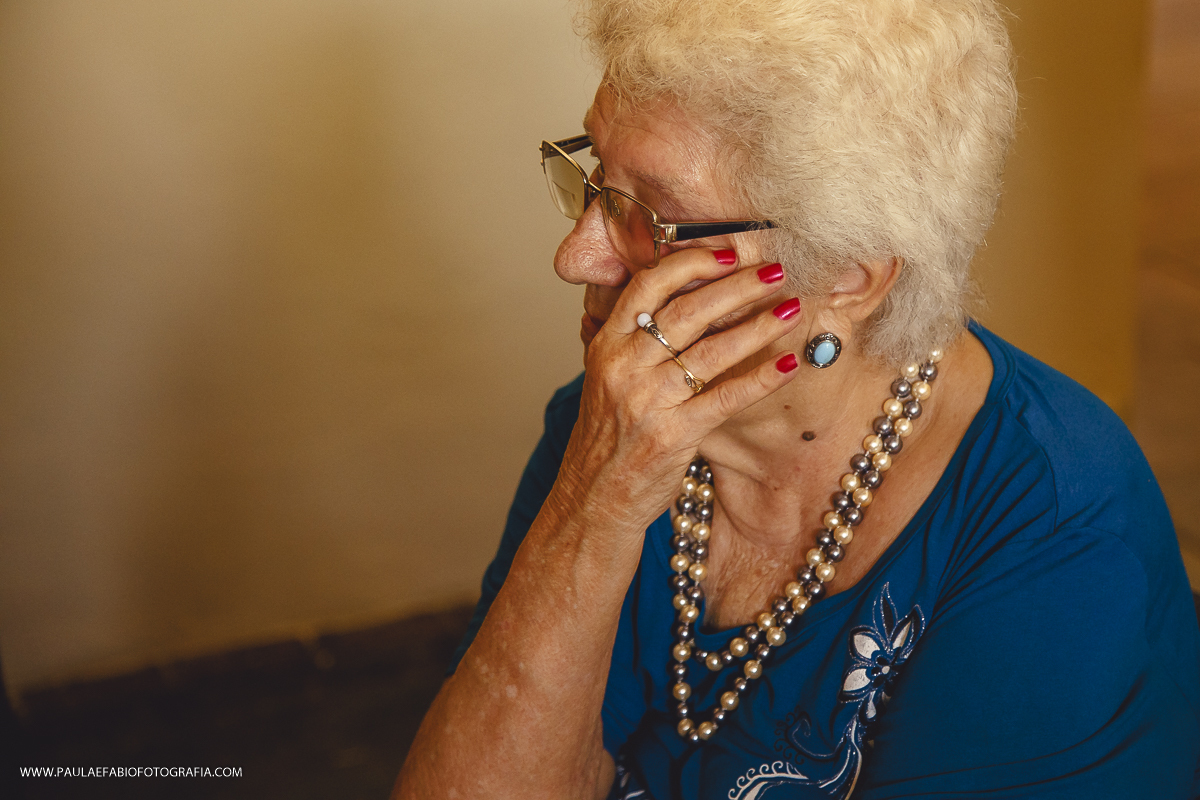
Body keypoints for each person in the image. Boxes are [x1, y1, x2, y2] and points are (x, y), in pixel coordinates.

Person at [393, 0, 1200, 797]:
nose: (576, 257)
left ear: (845, 275)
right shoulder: (618, 421)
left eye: (651, 218)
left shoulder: (1056, 533)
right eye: (596, 177)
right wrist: (593, 505)